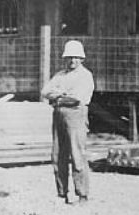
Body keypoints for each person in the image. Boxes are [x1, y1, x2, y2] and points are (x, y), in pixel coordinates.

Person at [41, 40, 95, 205]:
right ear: (65, 58)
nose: (73, 60)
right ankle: (62, 194)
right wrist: (62, 95)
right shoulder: (60, 75)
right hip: (58, 118)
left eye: (76, 57)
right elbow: (45, 92)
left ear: (82, 58)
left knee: (77, 155)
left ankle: (82, 195)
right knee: (58, 156)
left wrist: (58, 97)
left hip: (76, 117)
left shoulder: (85, 76)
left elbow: (77, 99)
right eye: (69, 57)